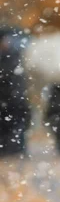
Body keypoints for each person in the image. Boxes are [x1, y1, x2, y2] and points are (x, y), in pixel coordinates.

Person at [0, 26, 30, 157]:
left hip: (13, 101)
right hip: (12, 100)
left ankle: (15, 153)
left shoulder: (12, 55)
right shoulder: (14, 55)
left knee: (15, 130)